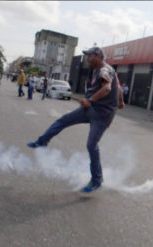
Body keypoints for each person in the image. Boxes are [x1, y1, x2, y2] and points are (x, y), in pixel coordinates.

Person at [27, 47, 125, 193]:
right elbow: (118, 88)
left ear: (98, 56)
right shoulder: (103, 70)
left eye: (89, 56)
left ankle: (97, 180)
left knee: (91, 145)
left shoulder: (104, 70)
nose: (87, 59)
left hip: (100, 114)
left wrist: (90, 100)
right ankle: (42, 141)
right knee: (63, 120)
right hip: (90, 109)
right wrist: (121, 102)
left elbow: (107, 89)